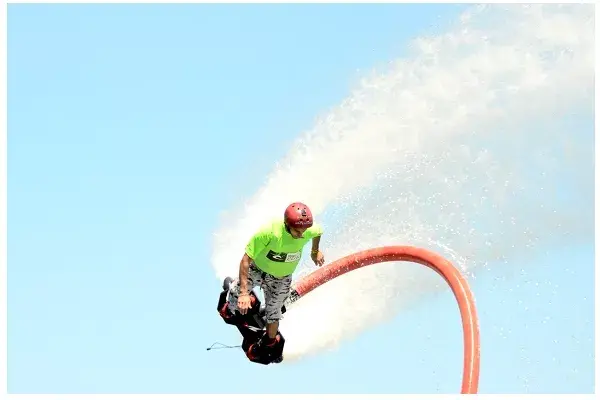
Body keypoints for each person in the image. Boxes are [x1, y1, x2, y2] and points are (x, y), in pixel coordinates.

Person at [225, 201, 325, 356]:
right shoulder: (269, 233)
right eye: (297, 232)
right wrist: (244, 293)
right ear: (287, 225)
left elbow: (318, 232)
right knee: (234, 301)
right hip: (257, 270)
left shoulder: (309, 230)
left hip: (281, 278)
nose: (301, 235)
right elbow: (245, 260)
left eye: (304, 231)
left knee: (274, 314)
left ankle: (270, 341)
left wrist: (315, 251)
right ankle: (237, 299)